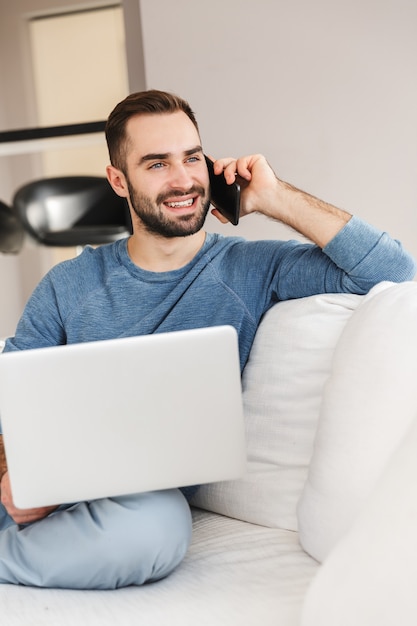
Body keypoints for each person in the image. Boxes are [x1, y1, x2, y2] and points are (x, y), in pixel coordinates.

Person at [0, 89, 415, 590]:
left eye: (192, 157)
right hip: (42, 480)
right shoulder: (68, 284)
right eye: (156, 164)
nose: (183, 180)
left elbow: (395, 271)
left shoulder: (253, 268)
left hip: (135, 498)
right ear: (118, 180)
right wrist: (16, 475)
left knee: (157, 530)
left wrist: (273, 195)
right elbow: (11, 392)